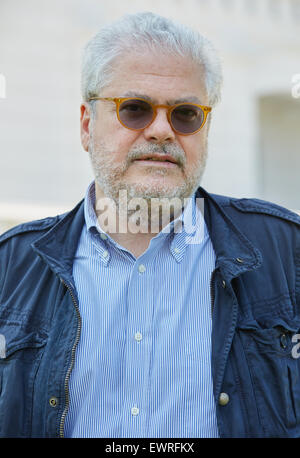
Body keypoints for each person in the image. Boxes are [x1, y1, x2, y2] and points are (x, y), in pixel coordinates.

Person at [0, 11, 300, 439]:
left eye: (186, 114)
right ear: (87, 125)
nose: (161, 130)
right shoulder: (9, 268)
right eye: (135, 109)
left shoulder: (288, 254)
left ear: (206, 129)